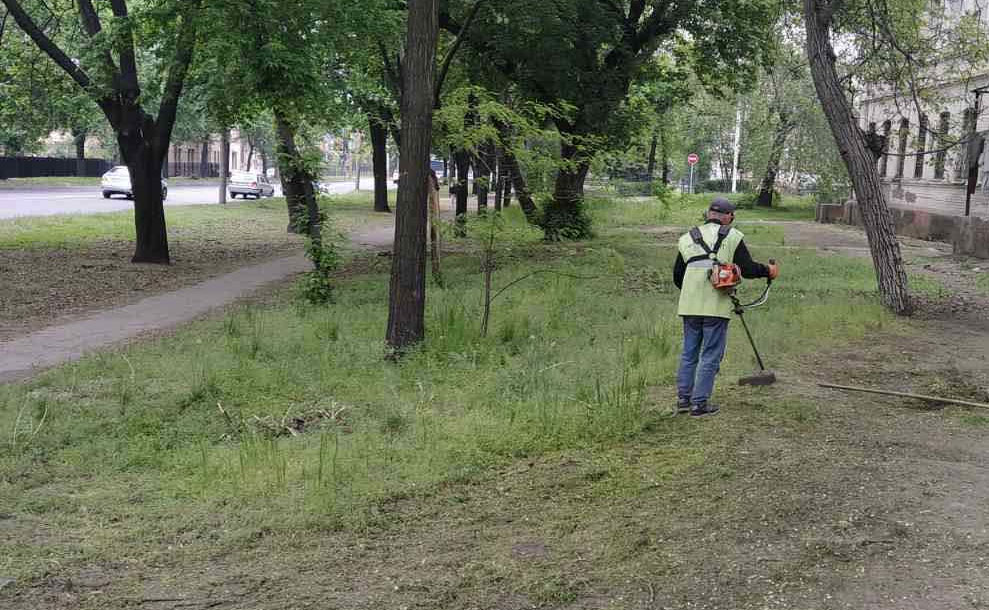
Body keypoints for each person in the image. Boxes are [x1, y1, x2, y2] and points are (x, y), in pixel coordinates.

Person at [673, 197, 779, 417]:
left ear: (708, 214)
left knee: (689, 353)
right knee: (710, 355)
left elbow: (678, 277)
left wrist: (694, 290)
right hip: (716, 307)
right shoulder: (733, 236)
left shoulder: (687, 238)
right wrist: (768, 271)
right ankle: (699, 404)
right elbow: (748, 268)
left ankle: (684, 400)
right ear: (729, 217)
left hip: (689, 305)